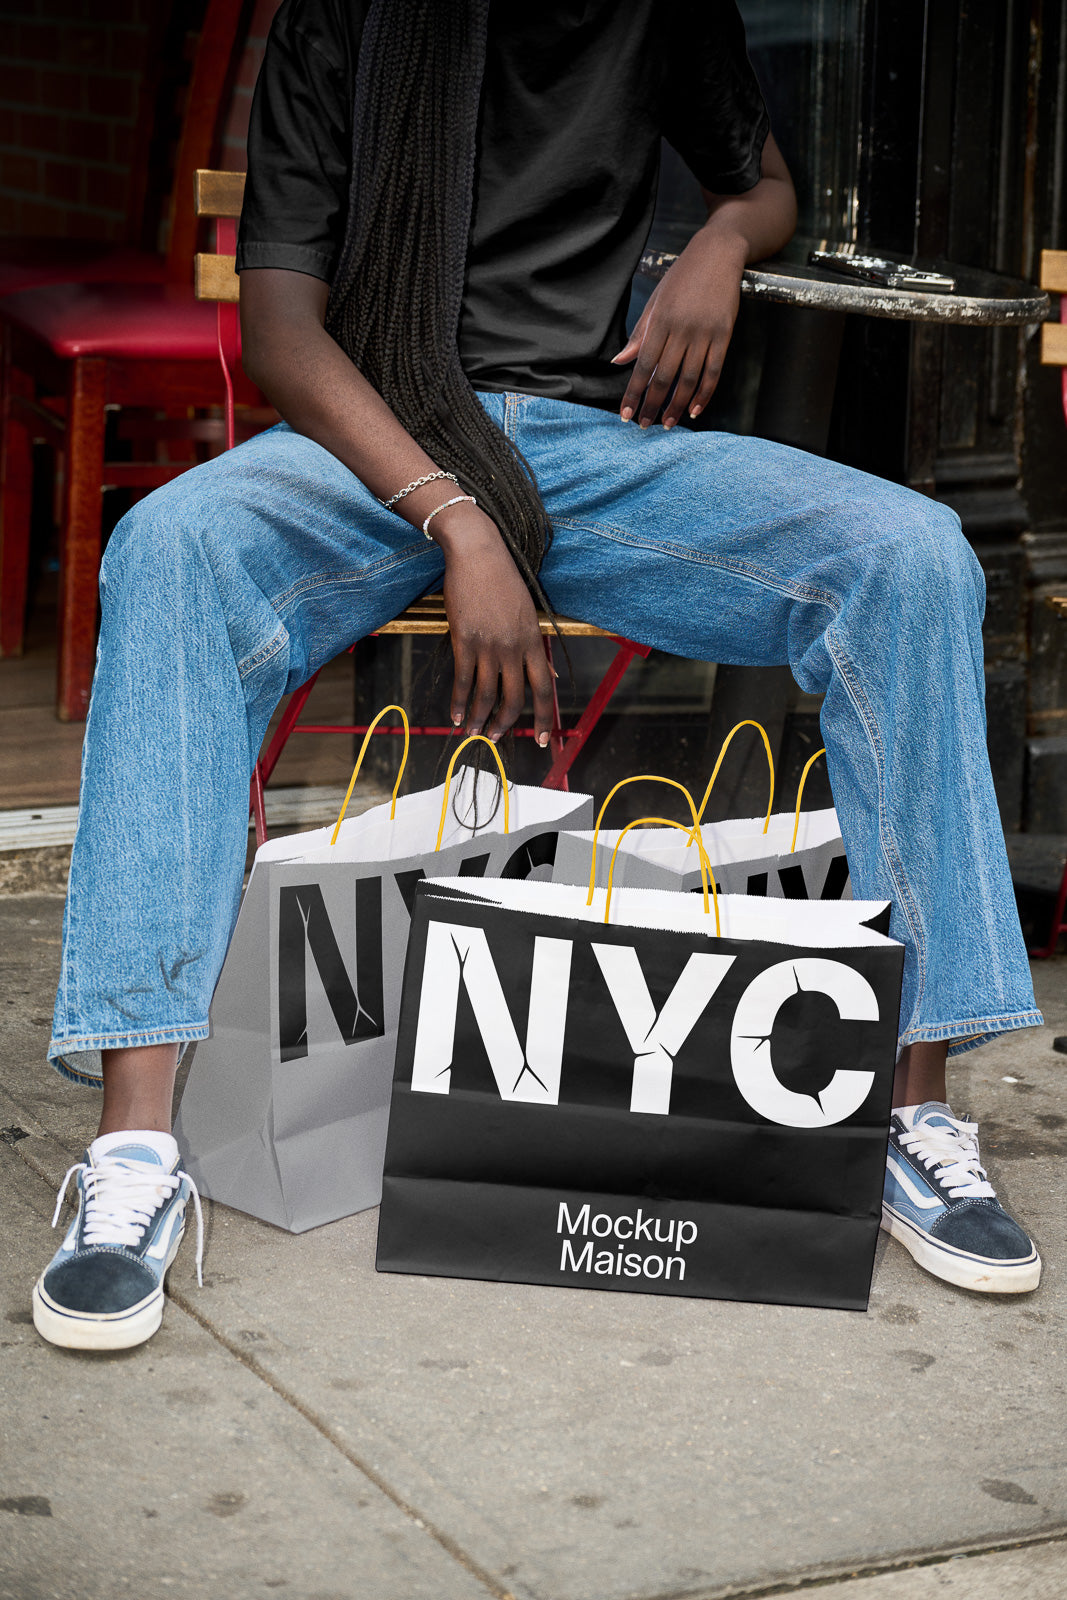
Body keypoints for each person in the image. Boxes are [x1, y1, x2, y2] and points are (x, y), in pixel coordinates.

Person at [31, 0, 1043, 1352]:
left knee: (911, 558)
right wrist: (459, 520)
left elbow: (764, 181)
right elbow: (281, 331)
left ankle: (913, 1108)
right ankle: (136, 1151)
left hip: (589, 450)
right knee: (171, 550)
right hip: (370, 447)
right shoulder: (346, 18)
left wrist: (722, 244)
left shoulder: (657, 12)